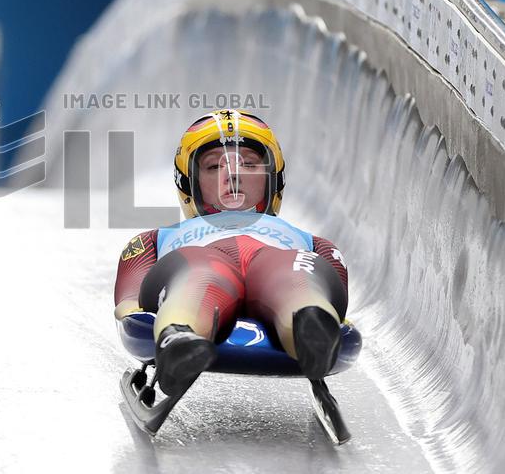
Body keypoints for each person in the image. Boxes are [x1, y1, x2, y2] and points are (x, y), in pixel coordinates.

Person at [113, 109, 349, 397]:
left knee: (291, 270)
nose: (232, 176)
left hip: (277, 260)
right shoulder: (155, 239)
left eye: (249, 165)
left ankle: (310, 326)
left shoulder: (311, 242)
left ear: (273, 177)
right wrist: (133, 315)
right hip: (198, 258)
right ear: (188, 183)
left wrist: (335, 318)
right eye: (213, 168)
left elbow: (336, 290)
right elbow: (129, 298)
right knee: (200, 271)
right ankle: (179, 336)